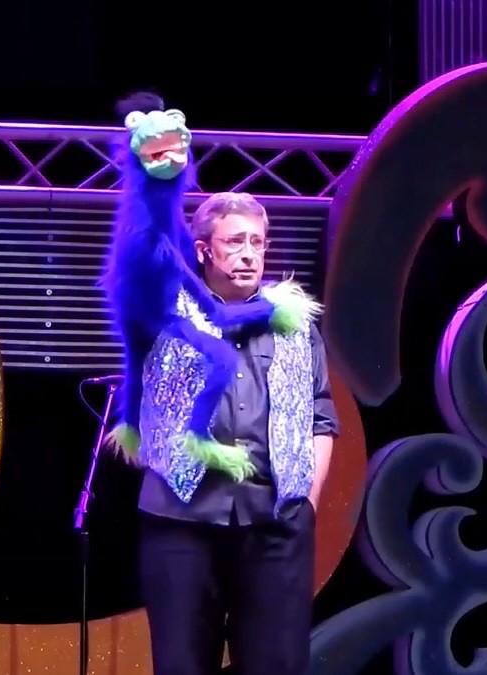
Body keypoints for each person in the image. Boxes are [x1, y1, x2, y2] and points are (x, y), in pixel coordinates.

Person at [136, 190, 339, 675]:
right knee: (182, 664)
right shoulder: (166, 315)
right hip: (182, 520)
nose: (249, 254)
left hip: (274, 523)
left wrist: (308, 502)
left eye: (257, 242)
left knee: (276, 664)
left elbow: (321, 415)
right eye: (234, 242)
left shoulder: (294, 325)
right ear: (204, 250)